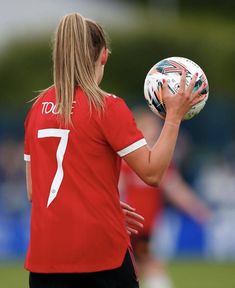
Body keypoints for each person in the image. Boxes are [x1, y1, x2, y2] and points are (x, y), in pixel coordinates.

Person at [23, 12, 206, 288]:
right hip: (100, 259)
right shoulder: (106, 106)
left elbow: (34, 190)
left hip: (44, 263)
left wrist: (98, 204)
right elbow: (154, 173)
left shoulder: (37, 108)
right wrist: (173, 117)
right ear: (104, 55)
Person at [119, 108, 211, 288]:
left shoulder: (159, 162)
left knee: (138, 269)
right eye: (149, 128)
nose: (154, 133)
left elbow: (176, 189)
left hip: (145, 227)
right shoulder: (126, 161)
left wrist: (197, 209)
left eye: (155, 129)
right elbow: (116, 188)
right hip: (129, 227)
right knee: (152, 267)